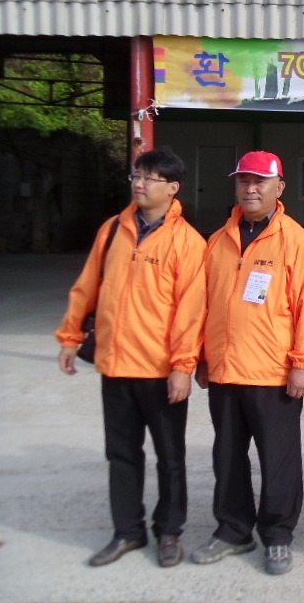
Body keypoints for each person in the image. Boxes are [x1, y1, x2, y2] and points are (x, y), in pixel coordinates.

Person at [56, 148, 207, 568]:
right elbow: (87, 286)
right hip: (115, 365)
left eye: (150, 178)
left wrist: (182, 368)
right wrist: (71, 336)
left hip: (159, 371)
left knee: (170, 457)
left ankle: (170, 532)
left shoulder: (188, 242)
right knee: (121, 455)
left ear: (172, 188)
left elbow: (191, 311)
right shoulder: (111, 231)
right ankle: (127, 532)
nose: (140, 184)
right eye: (137, 176)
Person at [191, 151, 304, 575]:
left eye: (260, 182)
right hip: (225, 370)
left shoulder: (295, 241)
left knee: (278, 458)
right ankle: (232, 530)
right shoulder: (218, 241)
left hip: (273, 373)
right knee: (227, 455)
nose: (251, 189)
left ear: (279, 187)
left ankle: (278, 534)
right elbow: (201, 305)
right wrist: (199, 357)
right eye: (244, 181)